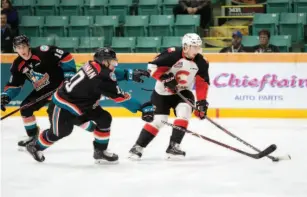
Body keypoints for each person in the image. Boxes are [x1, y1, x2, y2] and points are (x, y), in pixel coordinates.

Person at [1, 35, 153, 150]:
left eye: (23, 46)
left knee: (95, 119)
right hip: (61, 97)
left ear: (28, 45)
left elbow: (67, 57)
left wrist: (67, 76)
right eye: (18, 47)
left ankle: (93, 145)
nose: (22, 50)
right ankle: (35, 141)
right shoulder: (18, 65)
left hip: (64, 88)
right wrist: (6, 96)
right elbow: (14, 84)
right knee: (37, 114)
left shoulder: (47, 52)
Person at [25, 47, 143, 163]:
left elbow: (108, 74)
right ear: (103, 62)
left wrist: (129, 74)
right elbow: (121, 97)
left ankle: (100, 151)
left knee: (104, 118)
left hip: (83, 104)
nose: (114, 64)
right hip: (63, 107)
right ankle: (35, 146)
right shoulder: (100, 78)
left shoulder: (93, 65)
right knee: (60, 132)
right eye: (112, 61)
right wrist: (142, 108)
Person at [128, 33, 210, 160]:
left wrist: (202, 102)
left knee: (184, 112)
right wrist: (164, 78)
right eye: (194, 47)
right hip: (162, 93)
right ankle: (138, 147)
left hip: (182, 92)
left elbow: (202, 83)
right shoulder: (172, 53)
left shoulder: (201, 62)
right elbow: (153, 67)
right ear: (186, 46)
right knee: (159, 121)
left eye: (198, 47)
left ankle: (173, 147)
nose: (197, 50)